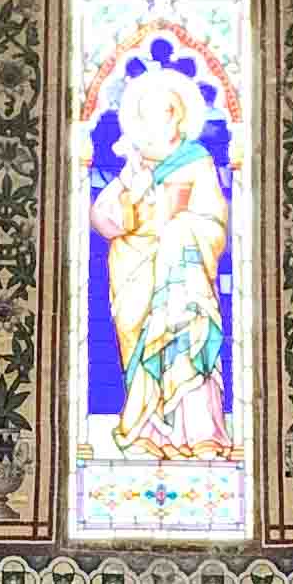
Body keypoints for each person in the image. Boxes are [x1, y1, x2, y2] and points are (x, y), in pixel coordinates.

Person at [92, 69, 233, 462]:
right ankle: (146, 430)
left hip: (185, 278)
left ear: (178, 116)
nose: (156, 122)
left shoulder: (198, 161)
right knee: (142, 346)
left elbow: (214, 221)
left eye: (164, 113)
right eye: (147, 115)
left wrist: (181, 229)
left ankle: (201, 434)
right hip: (136, 273)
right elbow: (103, 218)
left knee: (190, 347)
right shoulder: (134, 164)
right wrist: (132, 198)